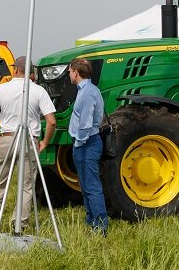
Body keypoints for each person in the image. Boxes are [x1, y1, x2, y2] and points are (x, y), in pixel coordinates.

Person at [0, 56, 57, 233]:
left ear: (15, 70)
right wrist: (45, 142)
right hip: (29, 140)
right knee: (26, 186)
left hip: (7, 138)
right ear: (31, 73)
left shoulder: (2, 89)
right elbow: (51, 121)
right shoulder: (38, 91)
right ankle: (19, 224)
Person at [68, 57, 107, 235]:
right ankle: (92, 221)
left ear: (76, 72)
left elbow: (85, 122)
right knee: (86, 185)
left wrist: (79, 141)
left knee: (91, 186)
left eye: (69, 71)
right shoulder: (88, 90)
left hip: (87, 143)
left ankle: (99, 226)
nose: (69, 74)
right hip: (87, 142)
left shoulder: (87, 93)